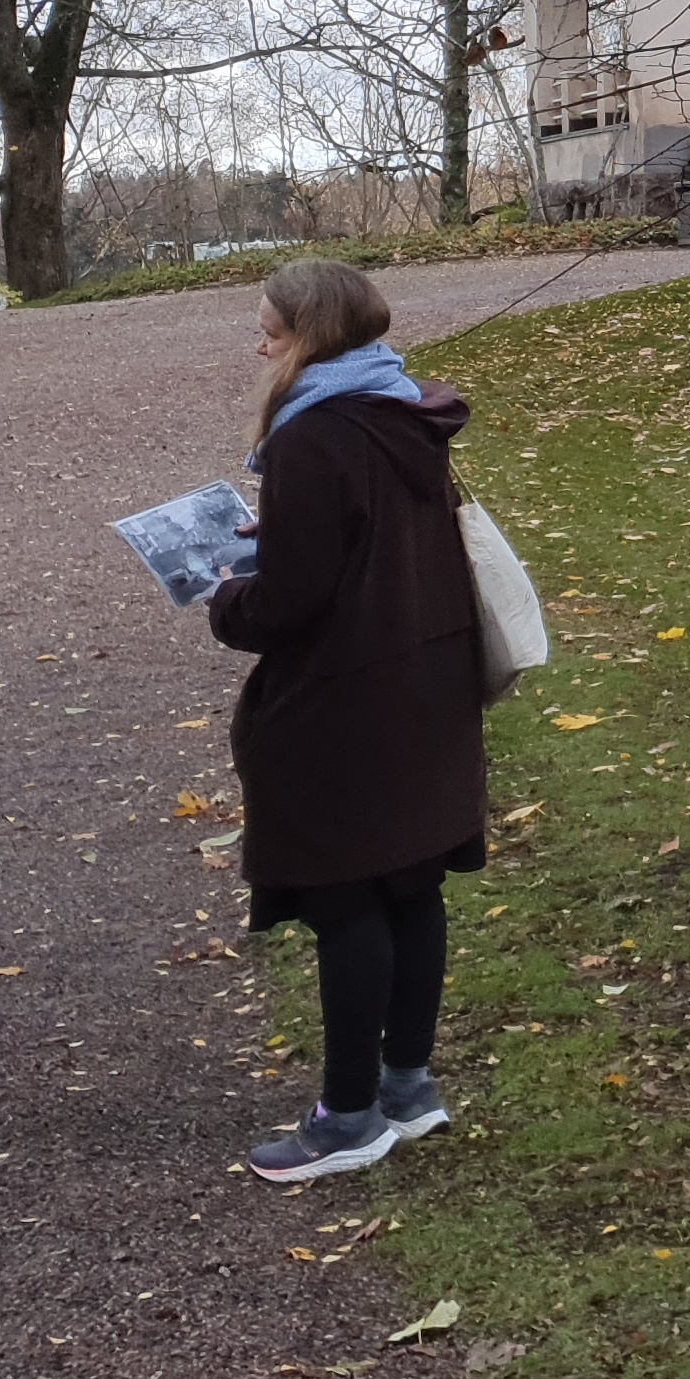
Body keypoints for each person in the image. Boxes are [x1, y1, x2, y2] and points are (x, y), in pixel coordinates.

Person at [207, 258, 486, 1185]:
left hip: (346, 699)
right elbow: (371, 542)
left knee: (347, 897)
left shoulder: (312, 437)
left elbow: (291, 604)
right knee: (412, 885)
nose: (261, 346)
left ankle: (349, 1114)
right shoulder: (404, 410)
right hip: (425, 682)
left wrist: (225, 599)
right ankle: (409, 1086)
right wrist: (282, 538)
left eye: (273, 331)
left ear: (314, 337)